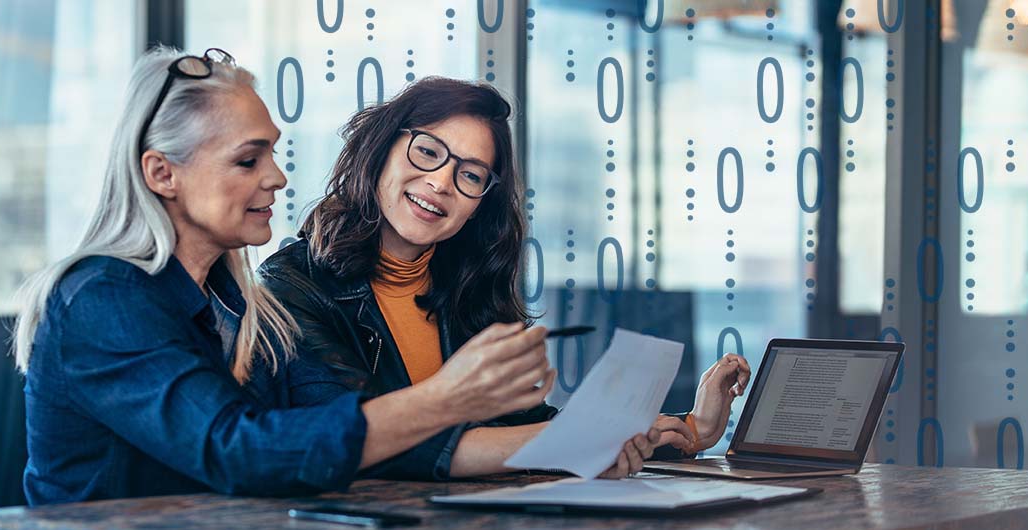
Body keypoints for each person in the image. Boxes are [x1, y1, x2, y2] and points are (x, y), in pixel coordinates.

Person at [6, 48, 663, 530]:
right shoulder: (103, 299)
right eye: (248, 158)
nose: (278, 178)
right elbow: (236, 451)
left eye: (272, 153)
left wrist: (591, 440)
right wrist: (450, 398)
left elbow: (351, 430)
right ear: (162, 174)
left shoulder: (240, 304)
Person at [259, 77, 752, 479]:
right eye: (428, 151)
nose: (441, 182)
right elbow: (368, 441)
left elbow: (524, 428)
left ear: (479, 205)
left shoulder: (465, 289)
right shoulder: (290, 288)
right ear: (381, 149)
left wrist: (692, 428)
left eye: (470, 175)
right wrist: (583, 442)